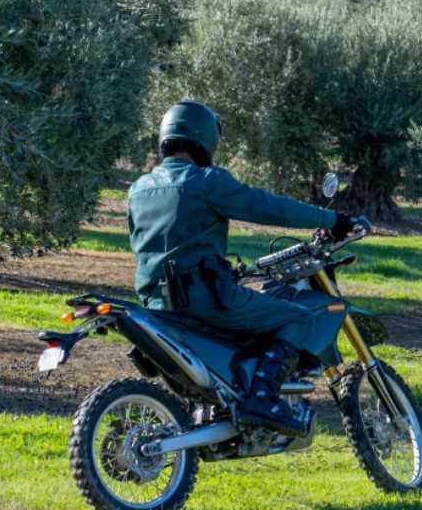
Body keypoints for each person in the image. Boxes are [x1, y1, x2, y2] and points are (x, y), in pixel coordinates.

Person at [128, 100, 360, 437]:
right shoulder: (207, 181)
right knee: (298, 318)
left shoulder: (138, 189)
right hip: (204, 299)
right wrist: (333, 220)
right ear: (205, 137)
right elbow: (269, 207)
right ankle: (263, 400)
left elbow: (148, 245)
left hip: (157, 304)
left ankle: (232, 397)